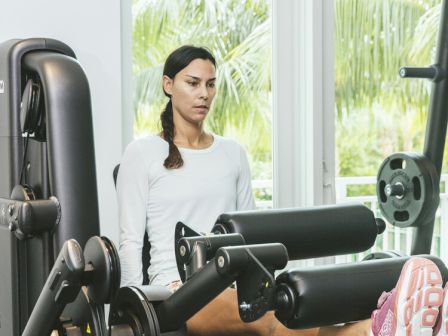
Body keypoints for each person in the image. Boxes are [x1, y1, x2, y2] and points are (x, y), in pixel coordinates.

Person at [116, 45, 448, 336]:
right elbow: (129, 242)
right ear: (168, 85)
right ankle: (376, 331)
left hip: (236, 281)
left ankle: (395, 326)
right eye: (193, 83)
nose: (204, 93)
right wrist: (136, 311)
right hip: (178, 292)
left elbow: (250, 232)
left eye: (211, 84)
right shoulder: (143, 153)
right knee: (274, 322)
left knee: (301, 309)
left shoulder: (232, 153)